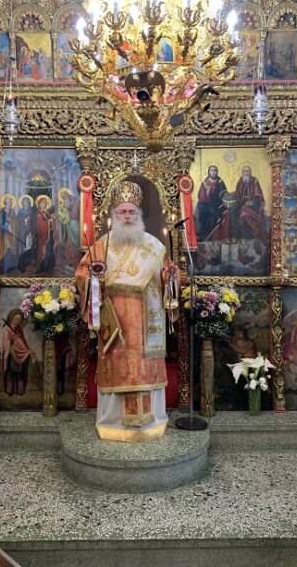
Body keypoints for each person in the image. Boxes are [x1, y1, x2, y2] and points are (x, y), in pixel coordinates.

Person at [75, 181, 179, 442]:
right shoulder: (102, 245)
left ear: (138, 214)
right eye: (122, 212)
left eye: (132, 211)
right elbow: (82, 273)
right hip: (115, 320)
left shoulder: (155, 246)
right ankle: (113, 423)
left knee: (144, 367)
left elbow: (167, 278)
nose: (127, 216)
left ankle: (152, 422)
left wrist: (171, 277)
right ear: (114, 214)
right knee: (116, 366)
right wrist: (94, 277)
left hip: (145, 322)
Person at [1, 308, 35, 396]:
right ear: (12, 318)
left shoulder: (19, 330)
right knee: (11, 373)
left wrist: (28, 350)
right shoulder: (8, 331)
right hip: (12, 355)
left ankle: (20, 391)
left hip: (21, 355)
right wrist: (12, 340)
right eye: (16, 319)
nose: (17, 321)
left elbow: (23, 342)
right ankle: (10, 391)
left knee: (20, 373)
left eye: (19, 320)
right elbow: (5, 344)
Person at [229, 165, 267, 241]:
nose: (246, 173)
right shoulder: (241, 180)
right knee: (232, 210)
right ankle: (235, 235)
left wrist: (250, 202)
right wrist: (243, 184)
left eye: (247, 171)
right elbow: (238, 194)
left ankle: (246, 237)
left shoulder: (254, 181)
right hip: (241, 202)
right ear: (242, 173)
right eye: (244, 171)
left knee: (244, 213)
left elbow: (258, 196)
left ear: (250, 172)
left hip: (252, 204)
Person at [194, 165, 229, 242]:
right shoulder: (205, 182)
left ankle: (209, 237)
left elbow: (224, 194)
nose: (213, 172)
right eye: (212, 170)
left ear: (217, 172)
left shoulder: (220, 182)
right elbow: (201, 196)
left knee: (213, 215)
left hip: (217, 205)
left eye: (215, 170)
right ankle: (202, 236)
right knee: (201, 214)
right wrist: (207, 191)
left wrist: (222, 199)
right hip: (205, 205)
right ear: (209, 172)